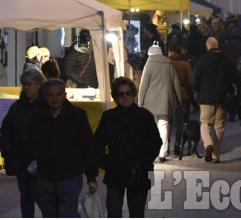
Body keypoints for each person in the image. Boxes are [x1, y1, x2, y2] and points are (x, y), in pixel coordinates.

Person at [94, 77, 162, 217]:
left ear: (133, 94)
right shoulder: (109, 117)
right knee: (113, 212)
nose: (125, 97)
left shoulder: (145, 116)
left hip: (139, 172)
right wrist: (107, 163)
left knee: (137, 213)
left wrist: (142, 161)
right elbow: (97, 144)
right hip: (115, 171)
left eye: (128, 93)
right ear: (115, 96)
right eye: (121, 94)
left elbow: (155, 143)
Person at [30, 79, 98, 217]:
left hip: (70, 175)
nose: (55, 99)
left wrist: (91, 176)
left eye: (59, 95)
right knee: (49, 213)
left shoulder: (77, 115)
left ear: (64, 95)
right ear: (45, 95)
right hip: (45, 175)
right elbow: (30, 143)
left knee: (67, 213)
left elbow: (88, 146)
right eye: (51, 95)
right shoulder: (37, 116)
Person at [0, 69, 47, 218]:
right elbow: (5, 130)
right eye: (24, 84)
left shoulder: (46, 106)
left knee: (42, 197)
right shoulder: (17, 108)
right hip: (21, 160)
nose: (26, 87)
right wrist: (8, 151)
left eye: (29, 84)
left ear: (39, 84)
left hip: (42, 161)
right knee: (26, 196)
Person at [191, 37, 240, 163]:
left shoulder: (202, 61)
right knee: (219, 126)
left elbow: (195, 81)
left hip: (206, 98)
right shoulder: (227, 60)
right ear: (218, 46)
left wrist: (200, 90)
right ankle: (216, 154)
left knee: (205, 123)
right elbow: (236, 78)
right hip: (223, 99)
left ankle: (208, 144)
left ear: (207, 47)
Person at [138, 43, 182, 162]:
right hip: (166, 101)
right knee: (164, 126)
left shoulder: (149, 64)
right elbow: (176, 83)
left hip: (150, 102)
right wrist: (179, 100)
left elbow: (143, 85)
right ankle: (162, 153)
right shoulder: (169, 64)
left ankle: (151, 152)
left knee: (150, 128)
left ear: (150, 54)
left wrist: (140, 101)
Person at [168, 45, 193, 156]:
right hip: (183, 94)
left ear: (172, 52)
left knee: (167, 122)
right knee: (180, 122)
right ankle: (177, 145)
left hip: (169, 94)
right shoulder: (186, 64)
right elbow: (190, 80)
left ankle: (166, 146)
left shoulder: (168, 64)